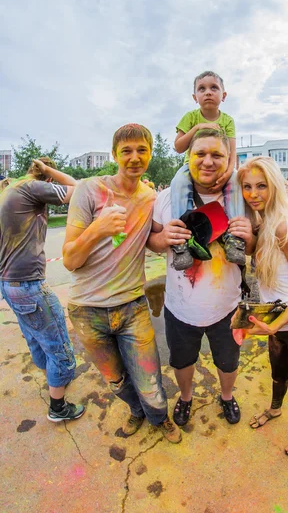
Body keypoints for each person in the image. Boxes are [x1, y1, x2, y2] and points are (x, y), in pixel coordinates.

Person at [62, 124, 181, 443]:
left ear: (150, 154)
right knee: (115, 380)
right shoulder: (89, 189)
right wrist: (98, 229)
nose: (134, 157)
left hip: (132, 307)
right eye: (126, 151)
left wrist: (165, 238)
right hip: (88, 311)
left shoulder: (150, 198)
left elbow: (151, 241)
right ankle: (136, 411)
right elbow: (70, 260)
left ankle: (159, 417)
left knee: (149, 378)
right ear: (115, 154)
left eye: (142, 150)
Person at [148, 128, 254, 428]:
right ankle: (184, 397)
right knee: (182, 362)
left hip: (228, 308)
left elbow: (260, 245)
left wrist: (251, 238)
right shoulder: (167, 197)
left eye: (217, 155)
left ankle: (227, 394)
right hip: (180, 308)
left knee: (229, 362)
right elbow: (152, 241)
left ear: (228, 159)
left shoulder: (243, 197)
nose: (208, 161)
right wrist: (163, 238)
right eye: (200, 154)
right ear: (188, 157)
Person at [234, 156, 288, 458]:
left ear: (274, 187)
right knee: (277, 376)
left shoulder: (284, 227)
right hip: (277, 325)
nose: (253, 193)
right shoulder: (263, 222)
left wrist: (275, 325)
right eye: (247, 187)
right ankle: (275, 409)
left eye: (261, 186)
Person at [0, 157, 85, 422]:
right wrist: (50, 171)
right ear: (47, 181)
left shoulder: (10, 190)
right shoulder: (32, 187)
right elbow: (81, 190)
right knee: (59, 344)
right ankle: (58, 407)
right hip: (28, 284)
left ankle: (53, 379)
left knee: (36, 337)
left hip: (9, 283)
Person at [170, 71, 246, 270]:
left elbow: (231, 153)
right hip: (192, 167)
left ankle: (234, 237)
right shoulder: (190, 117)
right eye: (201, 89)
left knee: (236, 180)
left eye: (214, 88)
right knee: (178, 182)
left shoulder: (228, 121)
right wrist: (196, 128)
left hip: (221, 167)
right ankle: (181, 239)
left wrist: (228, 174)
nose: (208, 93)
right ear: (195, 97)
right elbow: (178, 147)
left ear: (224, 95)